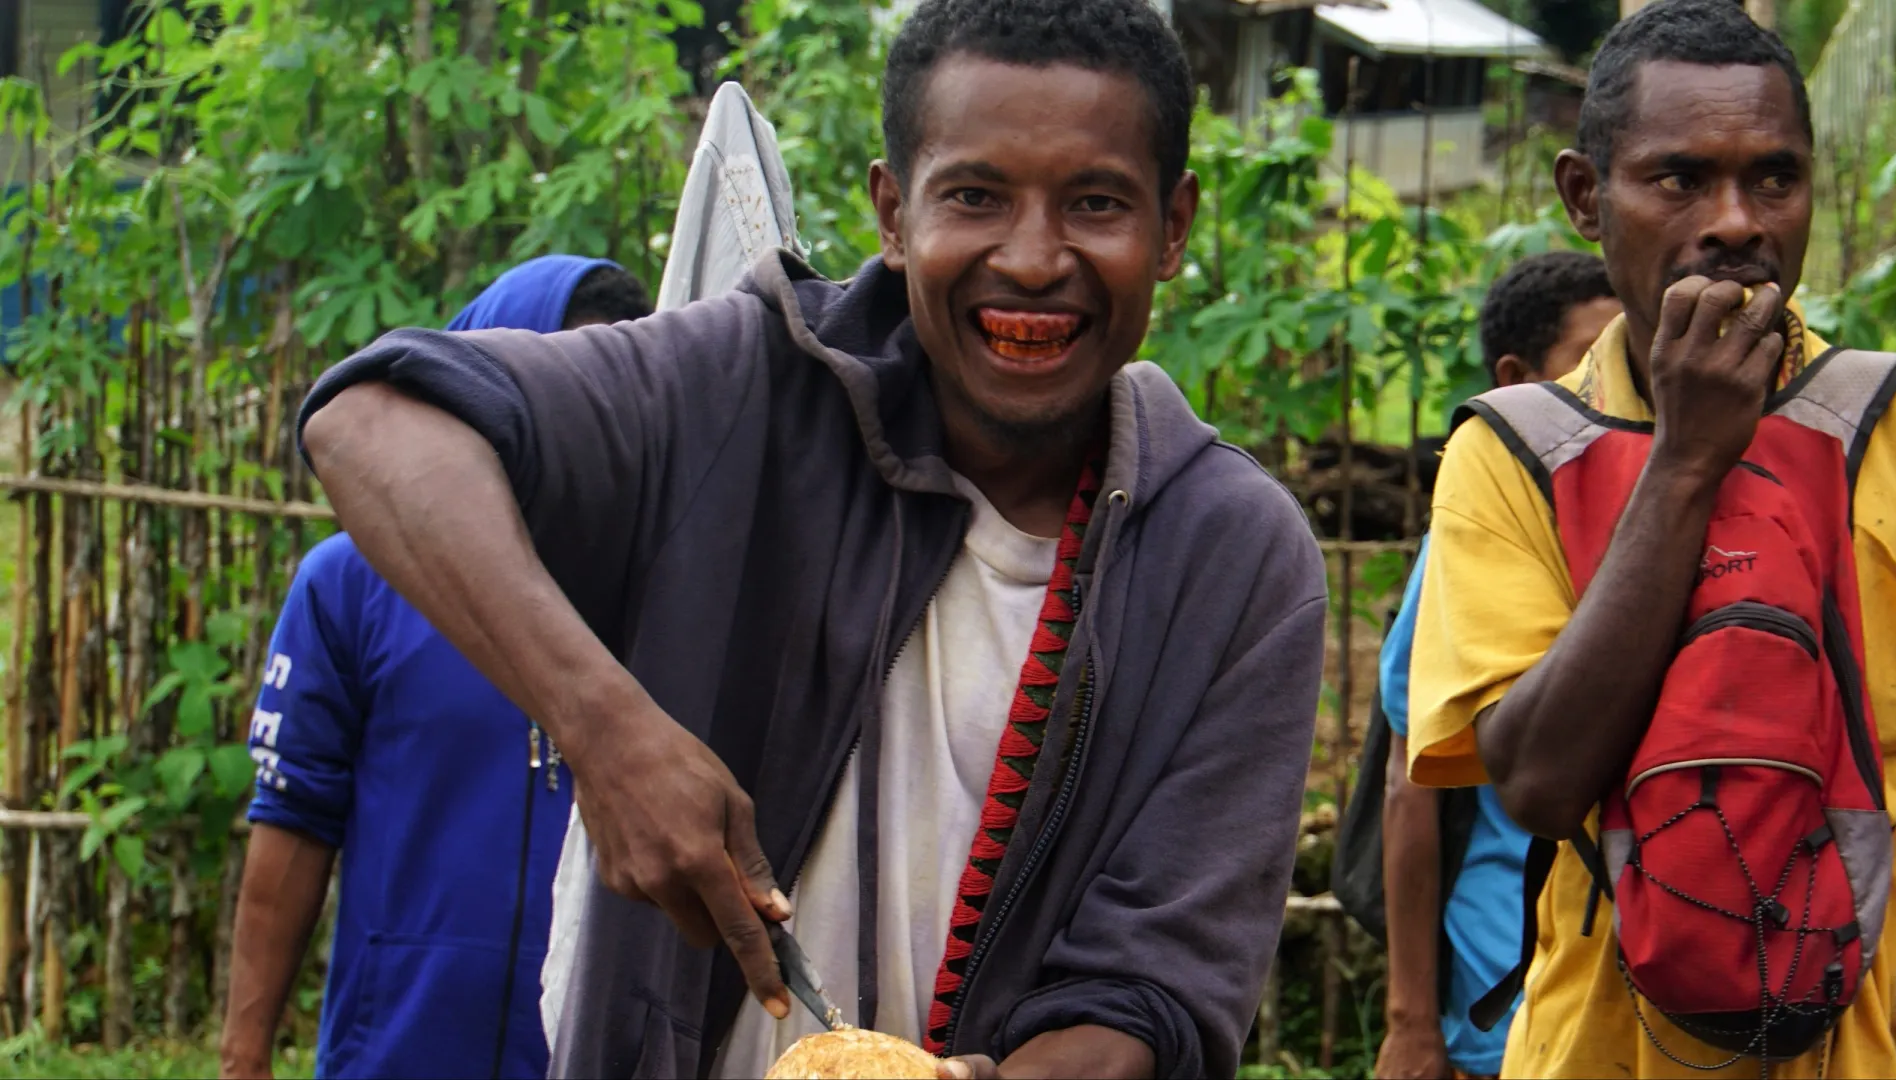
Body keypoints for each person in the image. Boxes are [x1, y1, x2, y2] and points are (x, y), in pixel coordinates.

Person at [293, 0, 1331, 1076]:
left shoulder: (1234, 561)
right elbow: (370, 421)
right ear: (891, 211)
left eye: (1097, 203)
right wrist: (605, 732)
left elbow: (1157, 995)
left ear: (1173, 228)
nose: (1031, 259)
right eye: (974, 196)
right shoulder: (739, 391)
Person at [1406, 0, 1896, 1076]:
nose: (1736, 220)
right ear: (1587, 197)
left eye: (1773, 179)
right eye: (1680, 179)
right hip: (1603, 1048)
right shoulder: (1517, 453)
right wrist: (1688, 457)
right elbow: (1539, 780)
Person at [218, 256, 654, 1080]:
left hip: (585, 1055)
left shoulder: (655, 590)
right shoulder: (352, 583)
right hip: (396, 1051)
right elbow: (294, 818)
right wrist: (244, 1057)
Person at [1373, 252, 1620, 1080]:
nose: (1625, 377)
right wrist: (1411, 1022)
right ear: (1517, 381)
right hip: (1506, 993)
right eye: (1594, 359)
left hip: (1658, 981)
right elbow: (1413, 780)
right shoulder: (1482, 529)